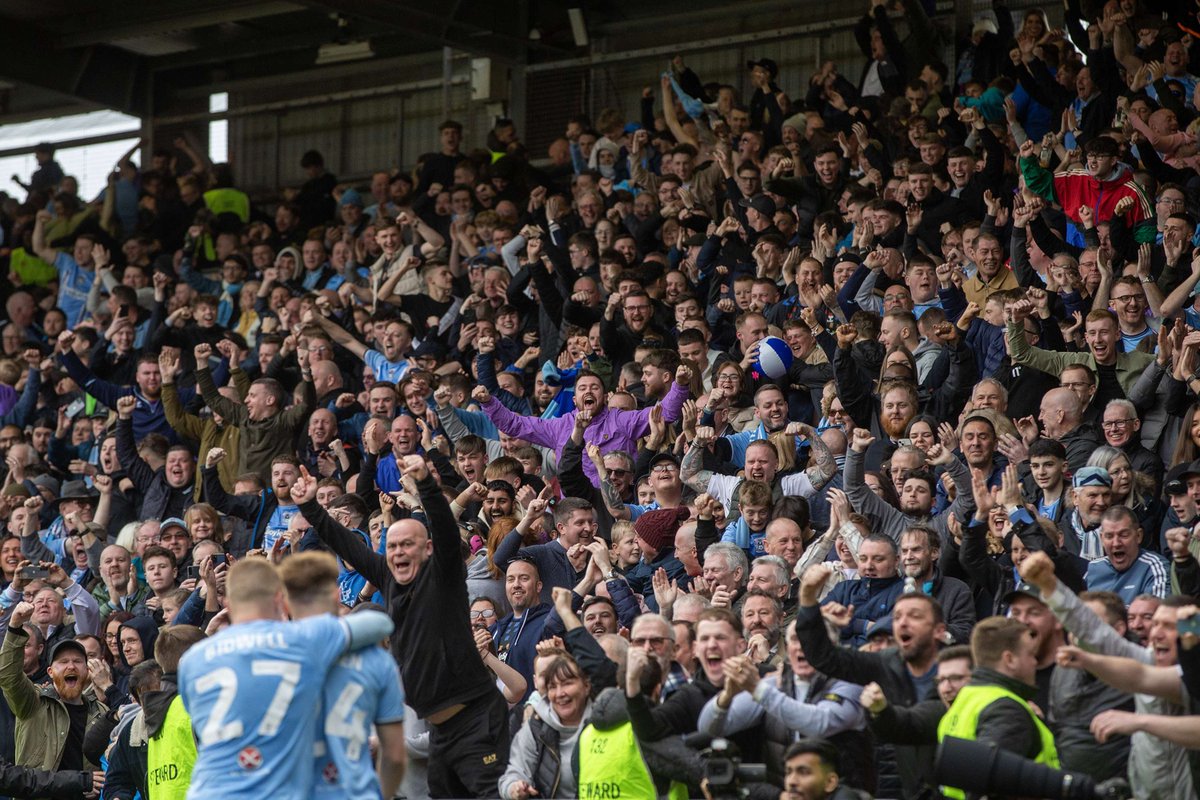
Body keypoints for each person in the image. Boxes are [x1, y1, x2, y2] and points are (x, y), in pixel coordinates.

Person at [292, 457, 511, 798]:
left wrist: (425, 484)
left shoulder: (444, 574)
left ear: (427, 549)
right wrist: (309, 505)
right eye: (392, 546)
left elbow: (443, 526)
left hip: (475, 719)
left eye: (407, 544)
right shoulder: (387, 577)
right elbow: (346, 543)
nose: (398, 552)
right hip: (441, 731)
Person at [177, 558, 394, 799]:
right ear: (280, 599)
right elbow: (379, 624)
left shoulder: (192, 659)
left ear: (227, 602)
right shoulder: (303, 637)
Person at [278, 553, 406, 800]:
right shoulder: (378, 661)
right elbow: (394, 755)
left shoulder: (268, 657)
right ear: (337, 596)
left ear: (285, 603)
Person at [936, 616, 1059, 799]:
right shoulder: (1006, 710)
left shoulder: (964, 701)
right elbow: (989, 786)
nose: (1034, 662)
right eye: (1031, 654)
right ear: (1009, 659)